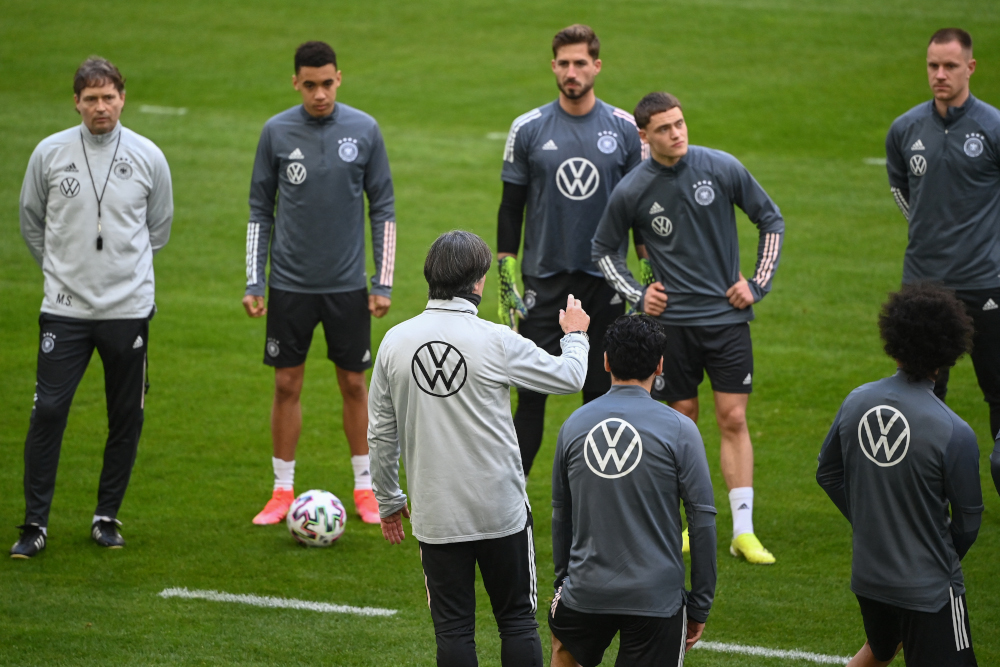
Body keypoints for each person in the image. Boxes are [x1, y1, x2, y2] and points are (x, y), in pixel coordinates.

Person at [368, 231, 590, 667]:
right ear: (478, 281)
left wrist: (390, 500)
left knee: (452, 629)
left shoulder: (394, 342)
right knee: (517, 622)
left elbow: (380, 434)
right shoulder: (496, 339)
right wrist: (576, 334)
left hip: (436, 515)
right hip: (500, 511)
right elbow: (570, 378)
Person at [592, 92, 784, 564]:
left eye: (679, 124)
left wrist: (756, 284)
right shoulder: (633, 189)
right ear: (644, 136)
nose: (676, 133)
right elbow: (603, 250)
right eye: (664, 128)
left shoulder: (720, 168)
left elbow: (770, 219)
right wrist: (639, 295)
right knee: (681, 420)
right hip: (671, 327)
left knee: (733, 418)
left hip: (726, 321)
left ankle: (743, 531)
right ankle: (678, 524)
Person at [12, 57, 173, 558]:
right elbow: (31, 221)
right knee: (49, 412)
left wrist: (122, 274)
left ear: (123, 97)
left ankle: (106, 517)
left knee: (125, 415)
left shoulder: (148, 156)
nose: (100, 107)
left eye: (108, 97)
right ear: (76, 102)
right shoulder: (49, 153)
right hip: (65, 309)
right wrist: (64, 270)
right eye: (90, 99)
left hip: (128, 310)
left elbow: (158, 228)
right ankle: (34, 524)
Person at [244, 41, 396, 526]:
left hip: (348, 287)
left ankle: (366, 489)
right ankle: (282, 490)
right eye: (309, 85)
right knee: (287, 384)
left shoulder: (364, 130)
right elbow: (258, 210)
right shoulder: (275, 132)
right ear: (295, 82)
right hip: (290, 286)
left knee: (355, 384)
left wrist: (383, 282)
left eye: (327, 83)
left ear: (339, 78)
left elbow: (384, 209)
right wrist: (255, 280)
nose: (319, 94)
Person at [497, 24, 646, 477]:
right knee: (531, 394)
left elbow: (639, 210)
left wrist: (649, 278)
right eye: (563, 63)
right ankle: (511, 500)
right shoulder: (527, 127)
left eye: (580, 62)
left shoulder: (623, 129)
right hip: (544, 280)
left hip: (606, 281)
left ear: (596, 66)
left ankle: (597, 494)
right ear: (553, 66)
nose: (572, 71)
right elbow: (511, 208)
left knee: (602, 392)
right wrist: (506, 279)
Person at [817, 283, 983, 667]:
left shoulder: (856, 401)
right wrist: (928, 550)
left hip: (870, 579)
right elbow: (969, 522)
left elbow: (827, 473)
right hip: (929, 589)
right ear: (950, 349)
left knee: (880, 649)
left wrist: (872, 525)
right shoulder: (954, 431)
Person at [549, 314, 717, 667]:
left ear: (606, 361)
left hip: (585, 592)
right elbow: (701, 521)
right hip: (656, 598)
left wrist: (564, 579)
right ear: (659, 365)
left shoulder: (574, 426)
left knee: (564, 654)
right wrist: (700, 603)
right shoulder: (681, 430)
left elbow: (560, 513)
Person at [885, 28, 1000, 441]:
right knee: (922, 394)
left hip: (987, 280)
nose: (940, 74)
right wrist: (926, 225)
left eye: (950, 66)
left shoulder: (993, 127)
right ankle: (931, 499)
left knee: (998, 391)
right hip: (923, 284)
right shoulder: (904, 129)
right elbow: (900, 188)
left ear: (970, 68)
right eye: (933, 65)